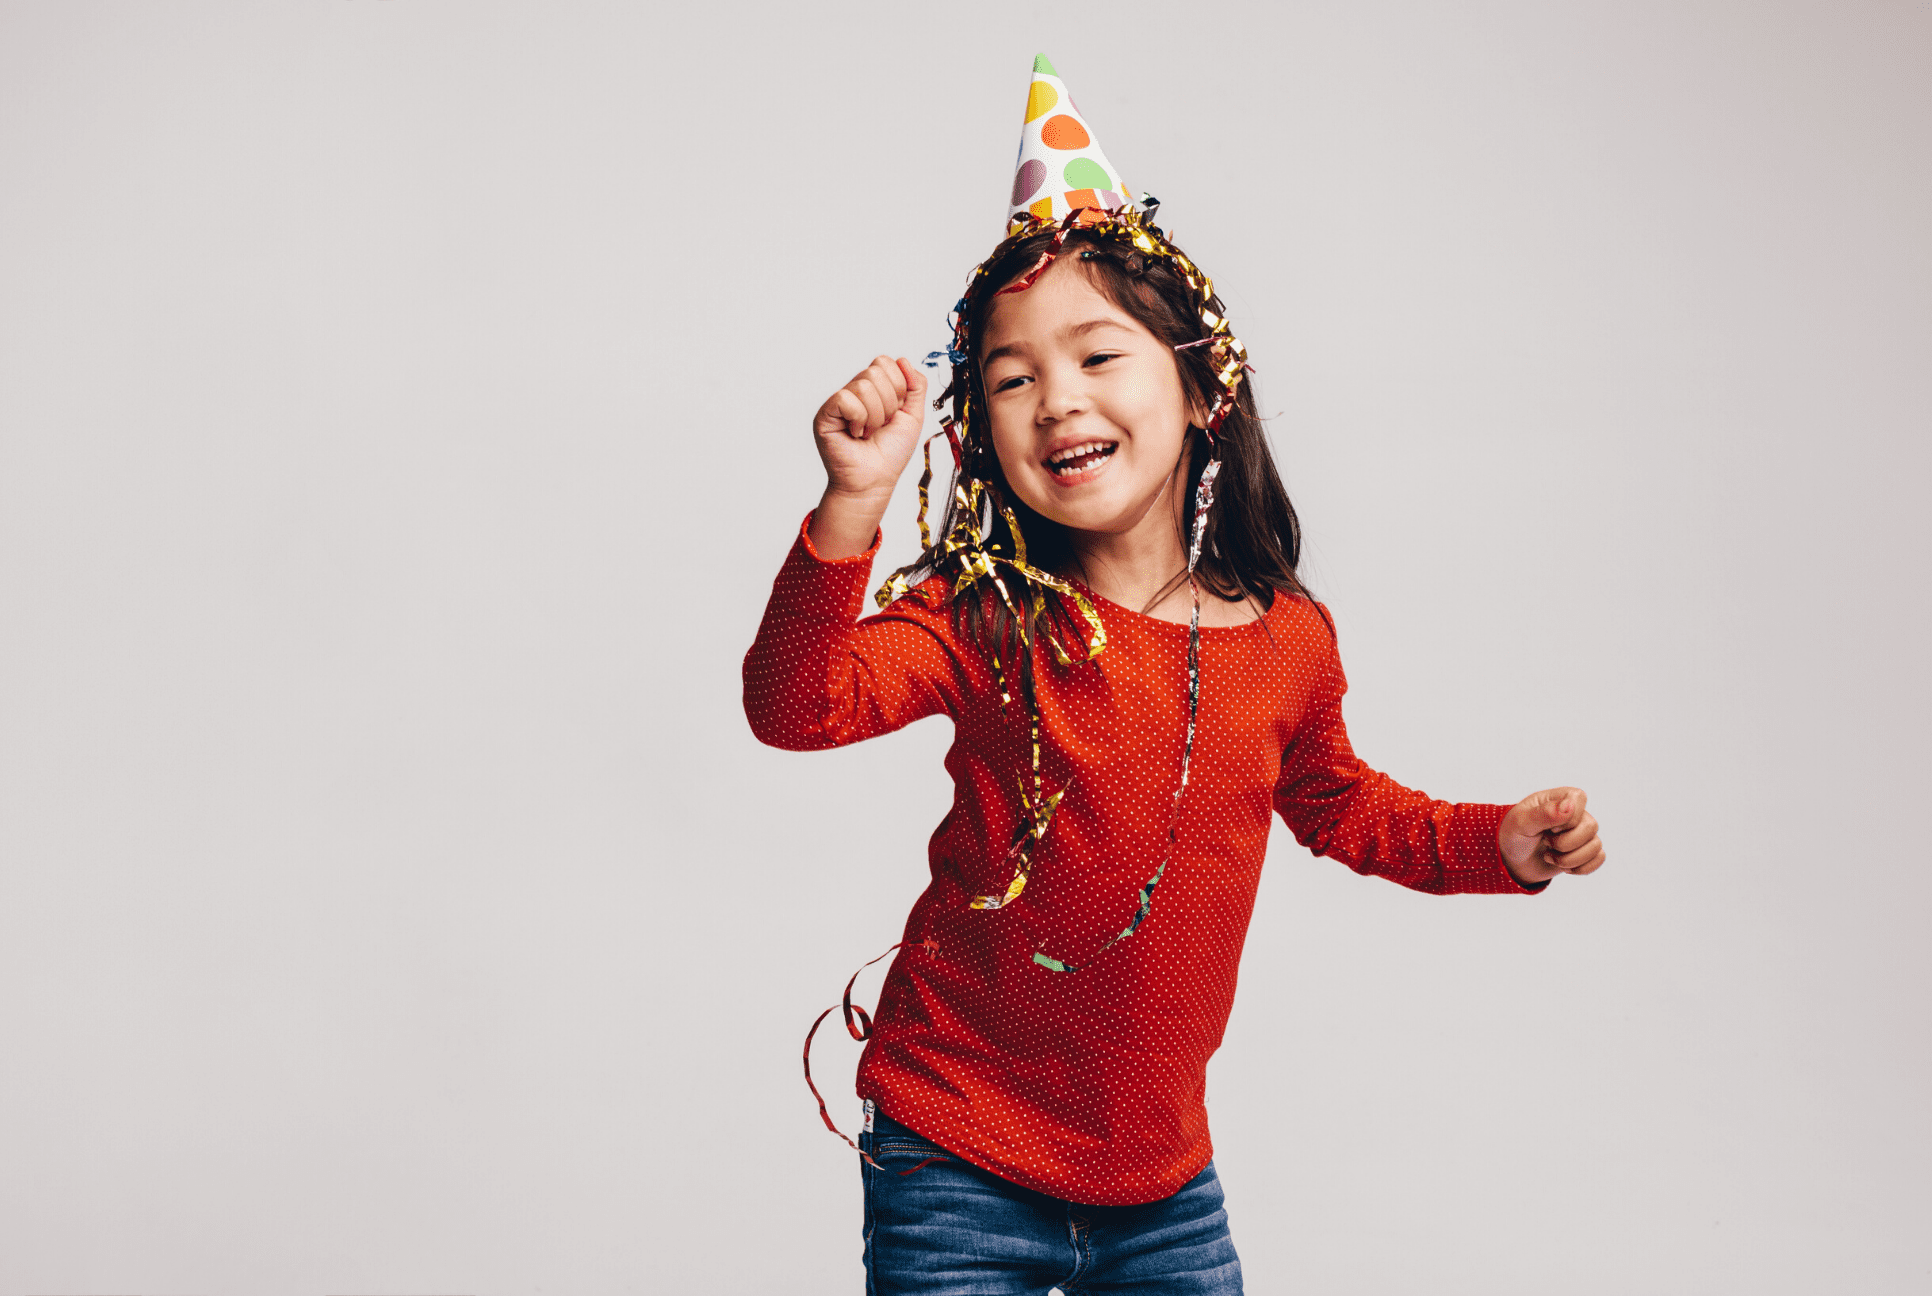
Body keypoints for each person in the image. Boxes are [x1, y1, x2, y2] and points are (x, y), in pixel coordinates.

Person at [743, 54, 1606, 1296]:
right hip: (956, 1145)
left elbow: (1341, 806)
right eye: (1011, 378)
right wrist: (852, 507)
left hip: (1160, 1179)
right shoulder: (993, 616)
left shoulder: (1287, 642)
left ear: (1202, 384)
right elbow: (795, 707)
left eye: (1098, 356)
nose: (1055, 401)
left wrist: (1500, 843)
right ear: (982, 432)